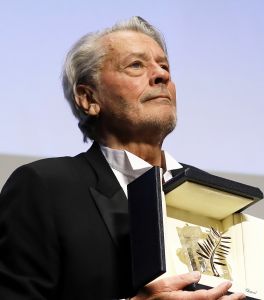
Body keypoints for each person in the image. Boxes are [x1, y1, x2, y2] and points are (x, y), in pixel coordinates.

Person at [0, 17, 245, 299]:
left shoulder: (214, 199)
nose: (161, 76)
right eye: (136, 65)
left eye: (164, 66)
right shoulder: (45, 186)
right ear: (88, 98)